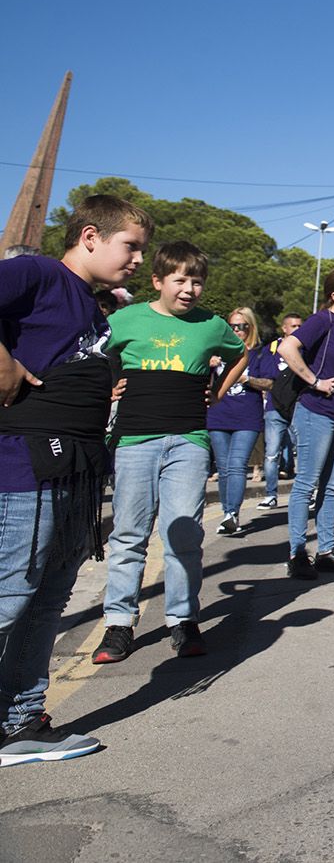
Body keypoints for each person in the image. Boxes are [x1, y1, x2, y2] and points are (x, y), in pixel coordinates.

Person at [0, 194, 150, 765]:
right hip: (23, 468)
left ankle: (20, 725)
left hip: (76, 473)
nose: (137, 259)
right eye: (129, 246)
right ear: (90, 236)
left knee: (44, 605)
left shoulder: (92, 310)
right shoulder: (38, 272)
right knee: (9, 598)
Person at [91, 241, 246, 664]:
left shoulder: (212, 324)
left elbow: (240, 353)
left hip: (189, 441)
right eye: (180, 279)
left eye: (197, 281)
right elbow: (92, 354)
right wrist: (107, 388)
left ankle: (183, 620)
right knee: (128, 535)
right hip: (135, 440)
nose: (189, 289)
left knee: (183, 535)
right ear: (158, 281)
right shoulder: (126, 318)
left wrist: (219, 390)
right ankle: (119, 624)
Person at [279, 267, 334, 578]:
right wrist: (314, 381)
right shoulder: (322, 320)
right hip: (316, 411)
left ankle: (326, 550)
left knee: (331, 487)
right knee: (306, 484)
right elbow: (287, 347)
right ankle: (297, 553)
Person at [207, 307, 268, 535]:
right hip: (218, 415)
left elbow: (271, 383)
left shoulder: (260, 353)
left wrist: (248, 379)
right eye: (232, 326)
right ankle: (227, 514)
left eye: (242, 326)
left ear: (250, 328)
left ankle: (232, 513)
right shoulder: (217, 351)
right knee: (223, 469)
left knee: (236, 465)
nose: (237, 330)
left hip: (247, 416)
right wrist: (207, 364)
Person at [257, 313, 303, 508]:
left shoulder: (307, 350)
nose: (298, 329)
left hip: (299, 407)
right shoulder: (272, 349)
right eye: (293, 326)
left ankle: (306, 493)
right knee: (272, 453)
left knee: (304, 451)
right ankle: (270, 494)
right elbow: (267, 376)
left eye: (300, 326)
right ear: (284, 328)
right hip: (275, 408)